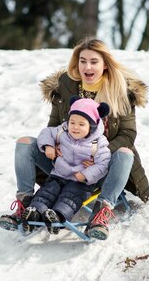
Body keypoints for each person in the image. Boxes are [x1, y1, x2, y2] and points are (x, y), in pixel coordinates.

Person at [0, 37, 149, 240]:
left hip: (101, 165)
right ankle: (25, 206)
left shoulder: (120, 91)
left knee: (126, 153)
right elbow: (53, 126)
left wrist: (98, 153)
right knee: (25, 143)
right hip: (66, 163)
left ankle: (101, 213)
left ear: (105, 64)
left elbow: (128, 134)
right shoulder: (66, 86)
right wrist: (52, 145)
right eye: (82, 61)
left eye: (94, 61)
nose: (87, 66)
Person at [14, 97, 111, 234]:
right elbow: (46, 132)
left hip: (80, 182)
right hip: (58, 174)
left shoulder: (98, 143)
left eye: (81, 124)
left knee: (69, 198)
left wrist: (85, 175)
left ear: (92, 126)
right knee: (46, 192)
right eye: (72, 122)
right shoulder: (62, 130)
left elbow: (104, 163)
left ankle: (58, 217)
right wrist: (49, 145)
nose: (75, 127)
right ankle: (34, 213)